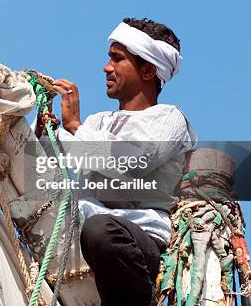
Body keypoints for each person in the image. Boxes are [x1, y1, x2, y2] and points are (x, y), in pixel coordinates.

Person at [38, 17, 196, 306]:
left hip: (136, 241)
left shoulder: (169, 119)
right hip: (80, 235)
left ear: (148, 70)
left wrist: (74, 126)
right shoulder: (98, 122)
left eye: (117, 59)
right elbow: (54, 163)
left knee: (101, 229)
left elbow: (131, 162)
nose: (106, 67)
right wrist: (42, 125)